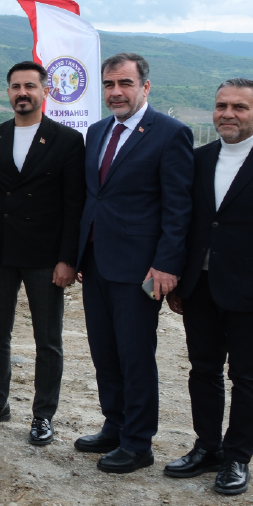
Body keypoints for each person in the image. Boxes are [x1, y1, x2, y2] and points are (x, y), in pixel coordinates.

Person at [165, 79, 253, 495]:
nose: (228, 114)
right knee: (203, 371)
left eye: (239, 108)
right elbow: (188, 224)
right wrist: (179, 280)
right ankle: (207, 447)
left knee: (247, 377)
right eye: (221, 106)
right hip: (200, 287)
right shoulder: (198, 159)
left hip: (252, 293)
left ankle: (237, 457)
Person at [74, 53, 193, 474]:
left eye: (125, 83)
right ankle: (115, 425)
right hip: (96, 262)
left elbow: (178, 208)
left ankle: (138, 442)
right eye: (109, 84)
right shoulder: (97, 131)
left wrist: (166, 265)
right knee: (104, 352)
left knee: (135, 355)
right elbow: (95, 197)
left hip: (141, 270)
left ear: (145, 86)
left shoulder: (170, 133)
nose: (116, 92)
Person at [0, 61, 85, 444]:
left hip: (45, 257)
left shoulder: (67, 140)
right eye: (16, 86)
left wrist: (68, 259)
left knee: (47, 339)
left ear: (45, 91)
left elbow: (74, 205)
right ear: (8, 93)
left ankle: (43, 415)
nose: (23, 93)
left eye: (30, 86)